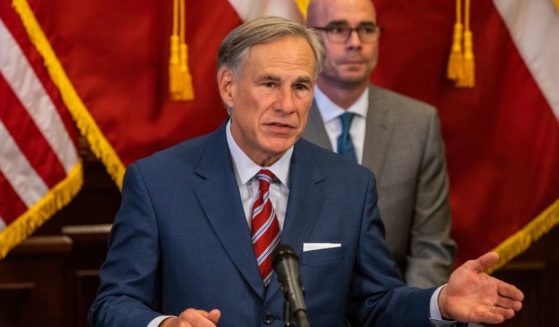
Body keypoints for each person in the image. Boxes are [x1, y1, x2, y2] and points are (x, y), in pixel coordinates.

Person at [88, 16, 523, 327]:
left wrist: (441, 301)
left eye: (301, 87)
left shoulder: (349, 185)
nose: (287, 105)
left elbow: (375, 303)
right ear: (228, 87)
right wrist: (164, 325)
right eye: (269, 83)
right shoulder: (158, 182)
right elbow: (113, 303)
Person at [303, 0, 455, 288]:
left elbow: (431, 248)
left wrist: (409, 313)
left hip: (391, 304)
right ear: (310, 38)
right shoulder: (282, 122)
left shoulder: (418, 123)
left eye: (366, 29)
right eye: (338, 29)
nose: (355, 43)